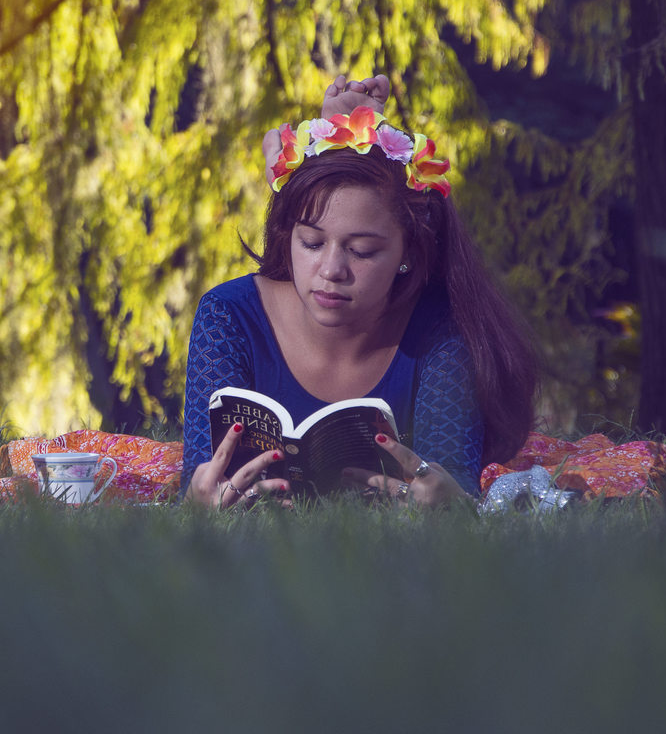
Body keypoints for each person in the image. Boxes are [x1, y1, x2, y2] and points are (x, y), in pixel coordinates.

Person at [182, 75, 537, 509]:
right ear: (287, 235)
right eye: (311, 244)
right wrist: (201, 500)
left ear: (408, 251)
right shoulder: (228, 316)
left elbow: (454, 482)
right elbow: (198, 477)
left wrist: (447, 504)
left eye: (363, 251)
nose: (331, 270)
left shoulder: (441, 331)